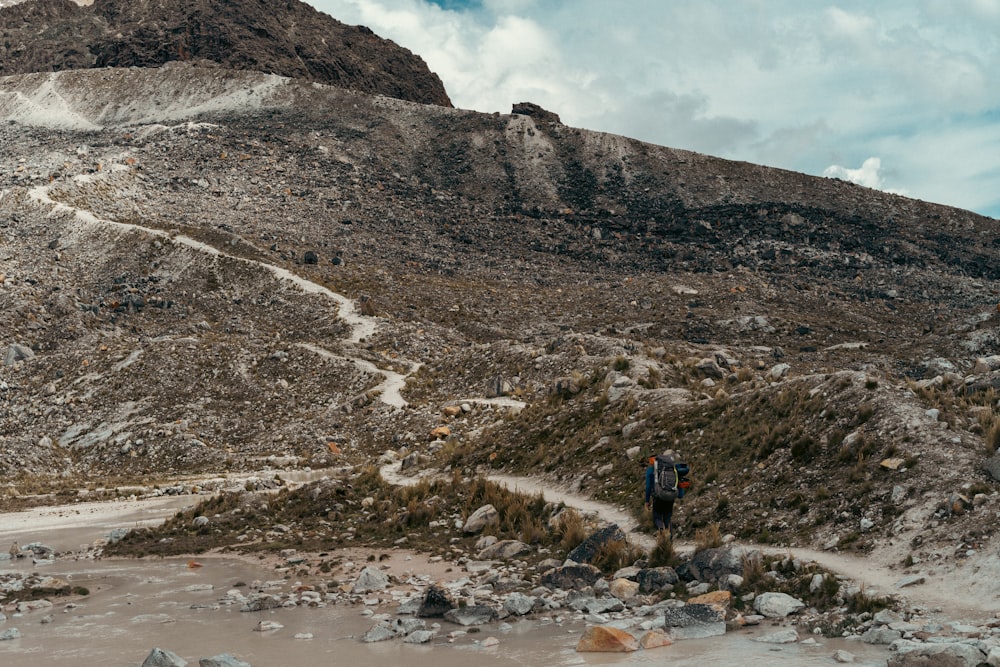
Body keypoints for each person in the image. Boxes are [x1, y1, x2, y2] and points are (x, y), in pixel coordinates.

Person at [644, 450, 676, 535]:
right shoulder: (670, 467)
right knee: (668, 518)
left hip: (658, 497)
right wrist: (679, 495)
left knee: (657, 517)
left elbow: (648, 487)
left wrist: (647, 501)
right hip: (671, 495)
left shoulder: (651, 470)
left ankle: (661, 530)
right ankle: (669, 542)